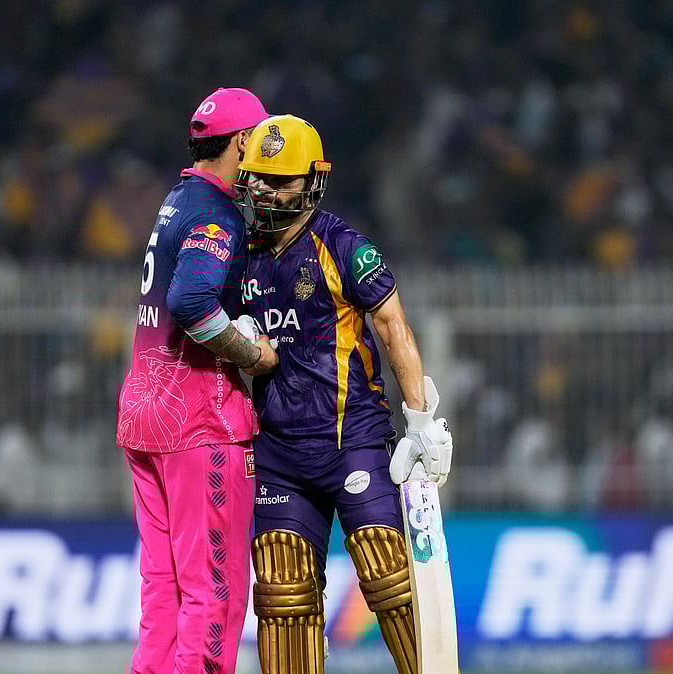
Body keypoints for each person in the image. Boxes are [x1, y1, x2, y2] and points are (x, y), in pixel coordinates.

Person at [231, 114, 452, 674]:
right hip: (278, 452)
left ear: (312, 181)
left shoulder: (344, 246)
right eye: (257, 177)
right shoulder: (240, 254)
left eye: (279, 180)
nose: (264, 190)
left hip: (349, 439)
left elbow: (394, 328)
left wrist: (421, 422)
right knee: (283, 595)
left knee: (388, 576)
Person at [116, 88, 277, 674]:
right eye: (259, 142)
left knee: (163, 588)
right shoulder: (217, 212)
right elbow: (191, 300)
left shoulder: (177, 200)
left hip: (145, 413)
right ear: (239, 143)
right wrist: (252, 356)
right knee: (215, 592)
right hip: (197, 422)